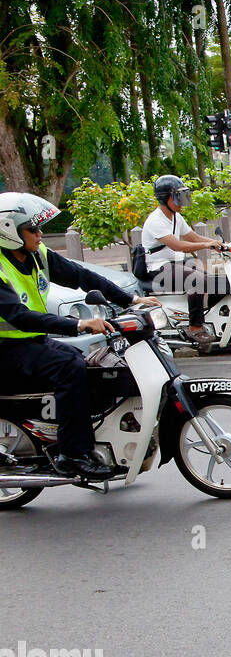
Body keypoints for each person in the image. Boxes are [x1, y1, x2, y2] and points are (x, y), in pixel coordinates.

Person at [0, 193, 161, 480]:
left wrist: (130, 300)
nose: (40, 235)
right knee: (69, 368)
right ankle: (72, 455)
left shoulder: (37, 256)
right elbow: (19, 317)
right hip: (7, 350)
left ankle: (88, 437)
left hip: (30, 343)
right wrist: (80, 325)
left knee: (90, 364)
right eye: (32, 230)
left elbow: (82, 275)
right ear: (9, 232)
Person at [140, 174, 231, 348]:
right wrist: (207, 245)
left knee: (220, 282)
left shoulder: (175, 217)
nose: (181, 201)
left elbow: (192, 236)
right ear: (165, 197)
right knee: (197, 279)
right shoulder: (155, 220)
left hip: (175, 264)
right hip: (158, 268)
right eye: (177, 197)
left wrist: (217, 244)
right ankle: (195, 326)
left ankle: (204, 316)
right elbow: (177, 245)